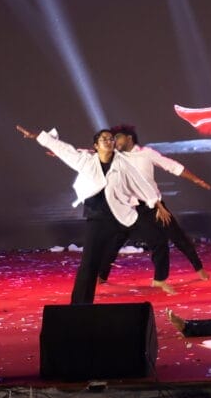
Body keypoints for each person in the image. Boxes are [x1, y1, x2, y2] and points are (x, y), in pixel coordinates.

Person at [17, 123, 170, 303]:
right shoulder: (86, 160)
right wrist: (38, 136)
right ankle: (80, 305)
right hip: (97, 218)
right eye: (104, 139)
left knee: (158, 239)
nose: (108, 141)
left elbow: (140, 183)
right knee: (89, 262)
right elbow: (64, 149)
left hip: (122, 216)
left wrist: (156, 203)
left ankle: (160, 280)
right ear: (96, 145)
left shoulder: (122, 163)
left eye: (111, 139)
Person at [104, 124, 210, 285]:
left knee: (177, 237)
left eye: (117, 137)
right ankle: (101, 276)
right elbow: (92, 156)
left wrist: (196, 179)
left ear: (129, 138)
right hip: (128, 209)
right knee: (116, 241)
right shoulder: (115, 157)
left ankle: (198, 268)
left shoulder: (146, 153)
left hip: (153, 205)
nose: (114, 141)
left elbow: (172, 166)